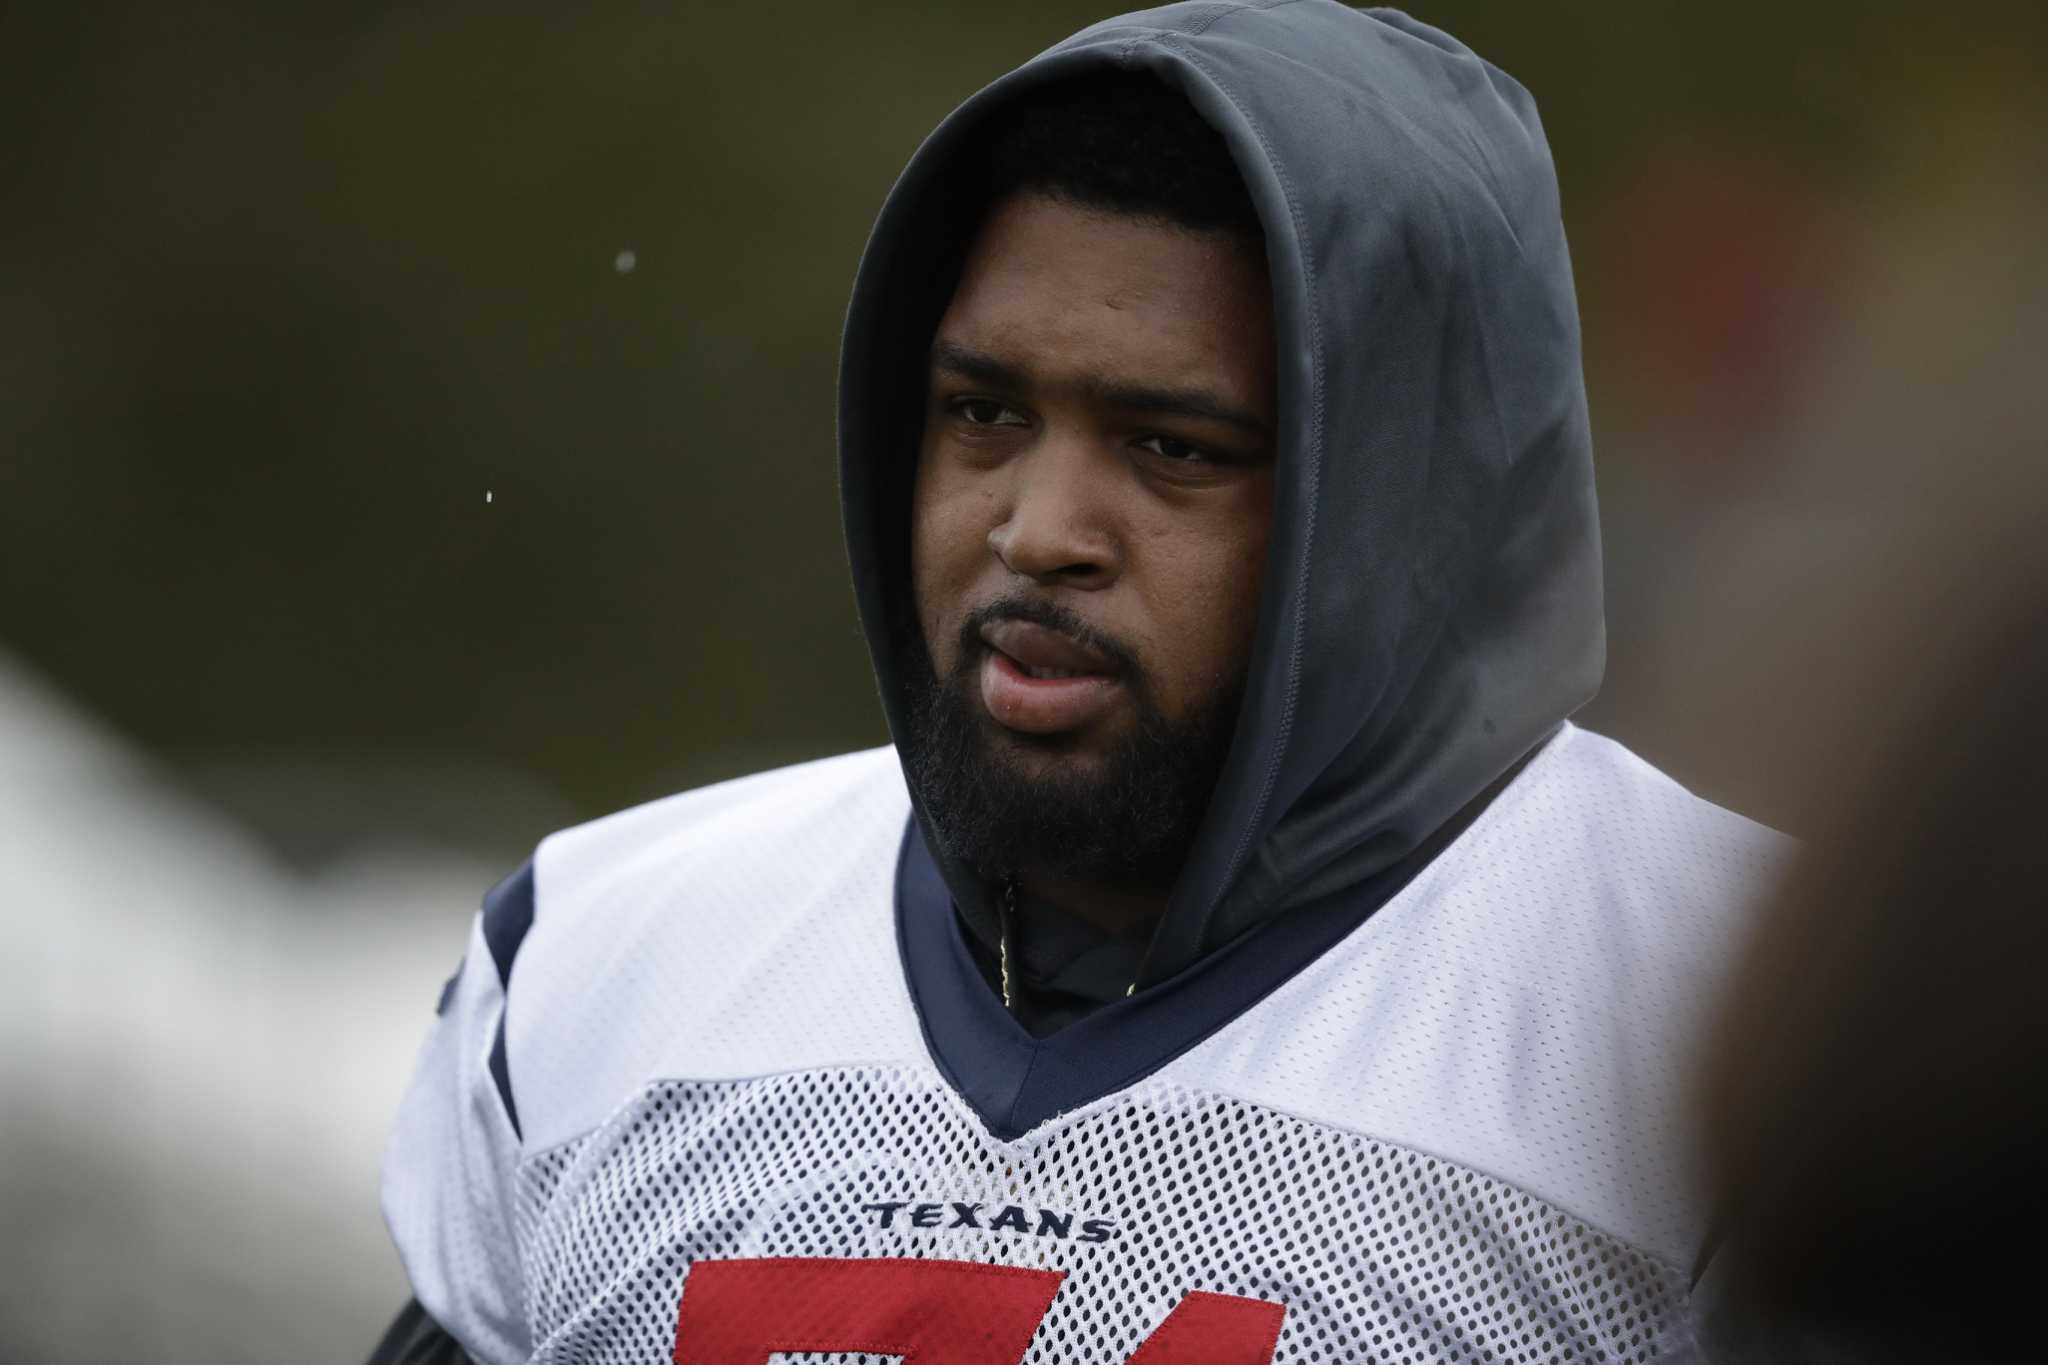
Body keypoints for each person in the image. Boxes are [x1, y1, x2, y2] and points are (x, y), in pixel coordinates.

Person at [375, 4, 1787, 1361]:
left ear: (1396, 506)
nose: (1040, 530)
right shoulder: (604, 961)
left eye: (1173, 447)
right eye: (984, 415)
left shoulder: (1747, 1014)